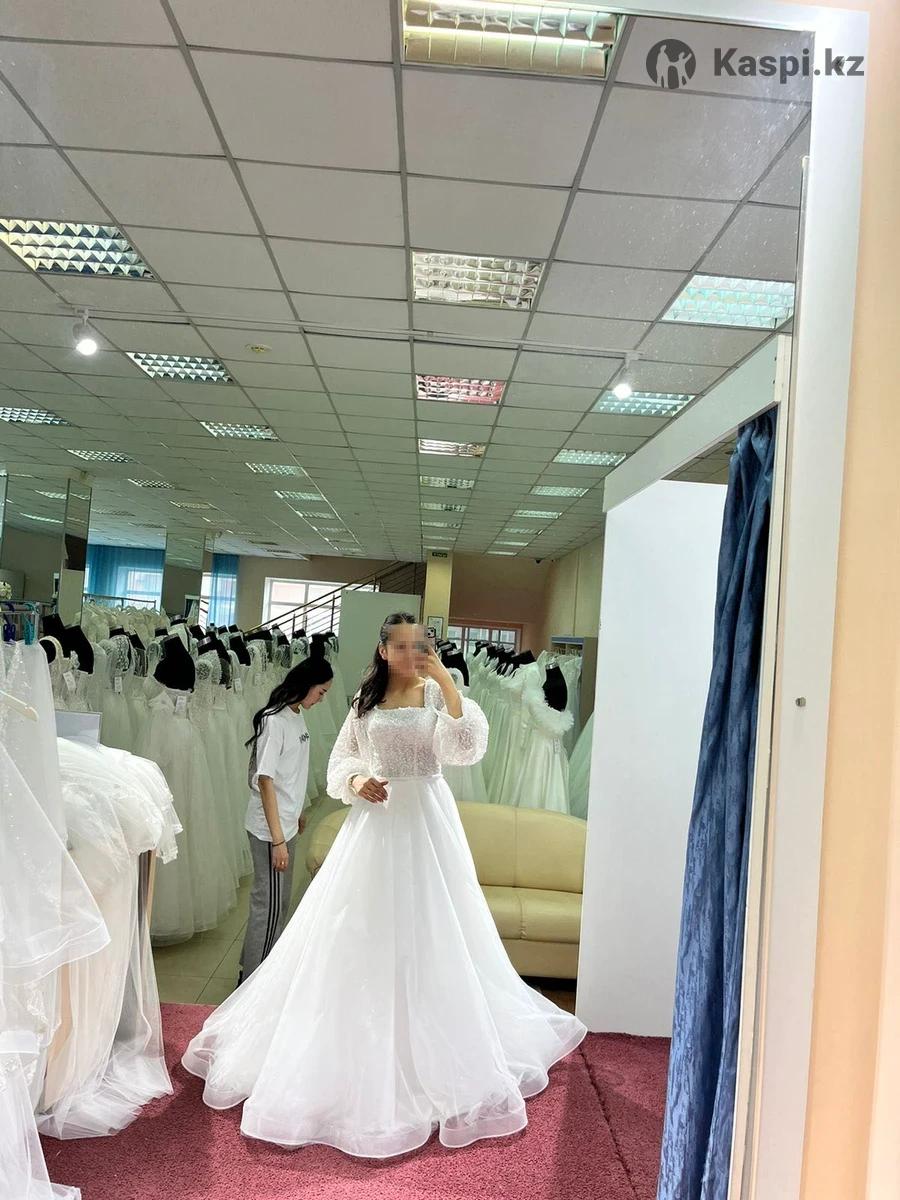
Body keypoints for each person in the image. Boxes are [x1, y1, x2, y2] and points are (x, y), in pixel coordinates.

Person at [182, 613, 587, 1159]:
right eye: (402, 645)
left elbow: (466, 749)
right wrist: (356, 780)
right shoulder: (365, 699)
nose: (412, 652)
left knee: (432, 930)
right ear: (383, 650)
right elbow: (342, 760)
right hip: (375, 822)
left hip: (426, 821)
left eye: (420, 644)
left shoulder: (436, 692)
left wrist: (446, 683)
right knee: (357, 931)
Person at [238, 658, 333, 983]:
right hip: (270, 830)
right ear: (307, 684)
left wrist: (299, 809)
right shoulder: (274, 720)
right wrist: (278, 839)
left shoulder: (295, 714)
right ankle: (253, 982)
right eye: (321, 692)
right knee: (268, 906)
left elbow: (289, 771)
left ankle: (254, 970)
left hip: (286, 822)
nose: (321, 699)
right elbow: (265, 780)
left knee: (277, 904)